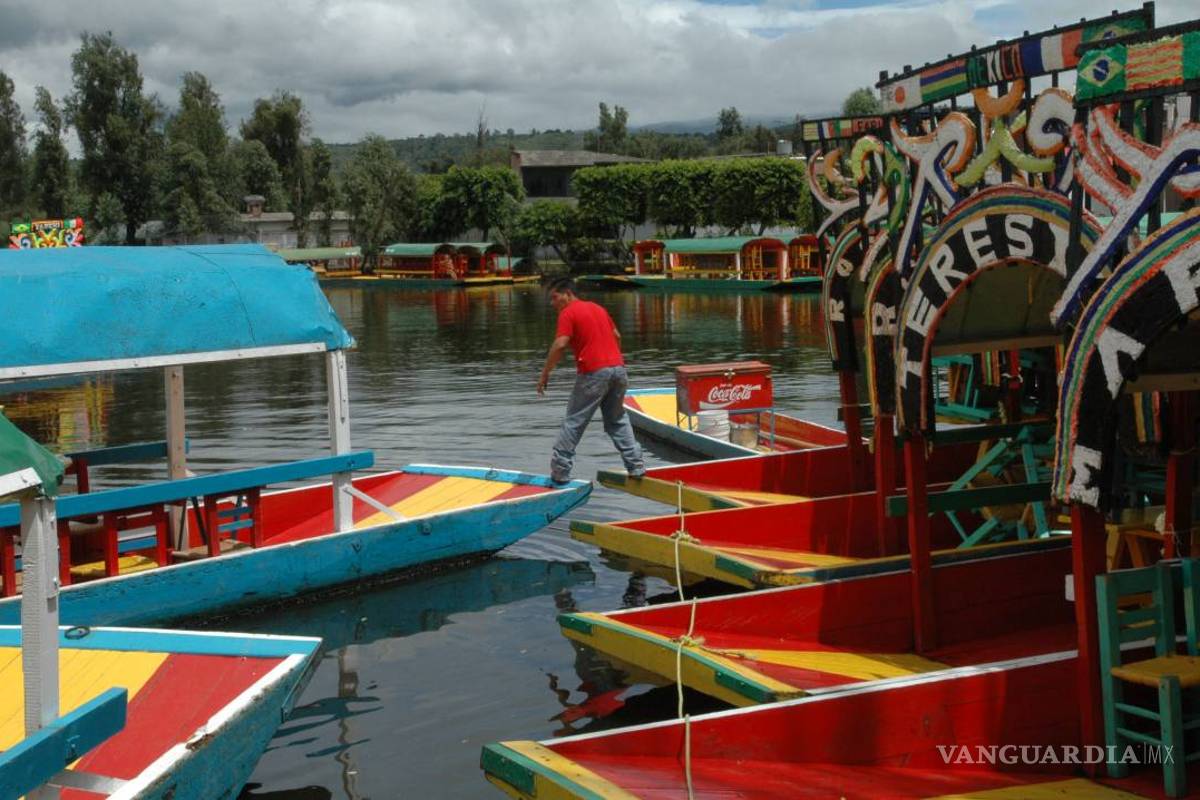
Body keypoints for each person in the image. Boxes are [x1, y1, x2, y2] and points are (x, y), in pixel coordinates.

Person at [537, 277, 644, 484]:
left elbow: (560, 344)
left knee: (574, 421)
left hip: (594, 372)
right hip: (618, 369)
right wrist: (614, 360)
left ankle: (560, 472)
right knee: (617, 420)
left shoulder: (568, 312)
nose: (553, 303)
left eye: (555, 298)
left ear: (568, 294)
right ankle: (636, 466)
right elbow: (617, 335)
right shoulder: (597, 308)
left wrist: (545, 374)